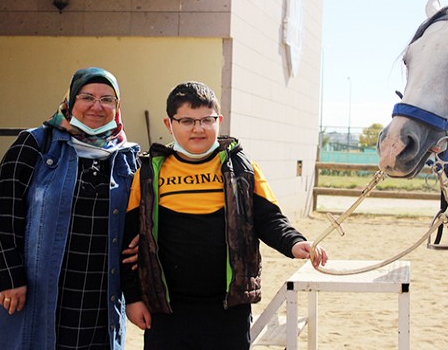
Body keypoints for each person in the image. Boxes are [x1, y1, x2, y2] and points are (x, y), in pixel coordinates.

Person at [121, 81, 328, 349]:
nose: (198, 128)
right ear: (168, 123)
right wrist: (134, 298)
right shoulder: (149, 172)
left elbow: (269, 219)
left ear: (219, 120)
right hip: (167, 309)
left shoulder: (242, 168)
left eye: (207, 120)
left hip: (229, 308)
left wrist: (294, 242)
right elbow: (128, 243)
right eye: (187, 121)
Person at [0, 67, 140, 349]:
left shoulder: (126, 157)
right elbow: (4, 212)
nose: (97, 106)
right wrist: (10, 275)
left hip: (99, 294)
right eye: (87, 97)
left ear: (117, 107)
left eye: (107, 99)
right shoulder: (35, 144)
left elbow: (139, 221)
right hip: (38, 292)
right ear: (70, 101)